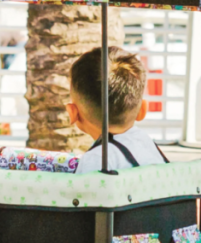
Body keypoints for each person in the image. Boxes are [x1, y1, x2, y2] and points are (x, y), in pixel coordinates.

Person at [67, 47, 168, 175]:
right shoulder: (144, 142)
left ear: (73, 113)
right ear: (142, 110)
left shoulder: (97, 160)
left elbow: (83, 195)